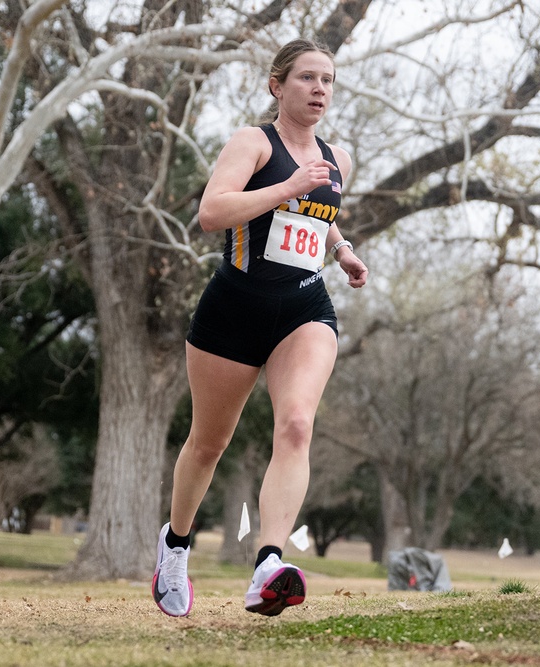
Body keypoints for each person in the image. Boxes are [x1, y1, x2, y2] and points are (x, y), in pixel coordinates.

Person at [151, 38, 368, 618]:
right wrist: (287, 186)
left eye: (327, 80)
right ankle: (174, 546)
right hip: (234, 307)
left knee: (297, 425)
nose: (320, 89)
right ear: (278, 86)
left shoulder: (338, 158)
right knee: (209, 442)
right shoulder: (253, 143)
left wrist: (342, 249)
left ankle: (269, 562)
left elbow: (318, 216)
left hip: (303, 307)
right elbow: (212, 212)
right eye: (307, 78)